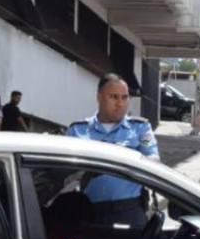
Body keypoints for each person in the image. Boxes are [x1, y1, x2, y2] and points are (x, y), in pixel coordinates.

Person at [65, 73, 159, 229]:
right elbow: (63, 173)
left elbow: (154, 160)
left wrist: (128, 159)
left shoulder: (140, 128)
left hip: (129, 211)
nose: (120, 103)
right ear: (99, 97)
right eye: (114, 97)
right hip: (89, 212)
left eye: (125, 97)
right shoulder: (78, 131)